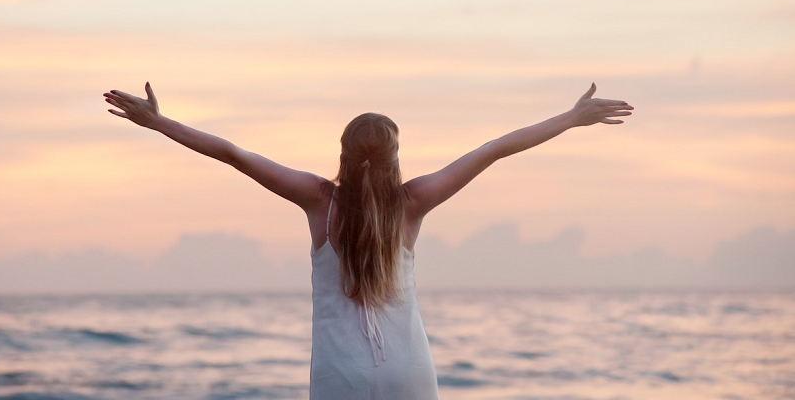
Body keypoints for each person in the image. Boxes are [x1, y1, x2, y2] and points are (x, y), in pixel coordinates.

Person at [103, 82, 632, 399]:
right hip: (408, 370)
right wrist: (571, 118)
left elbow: (233, 153)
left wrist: (158, 122)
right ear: (395, 156)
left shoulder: (317, 200)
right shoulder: (414, 201)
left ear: (343, 151)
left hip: (341, 376)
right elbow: (494, 148)